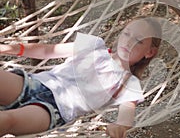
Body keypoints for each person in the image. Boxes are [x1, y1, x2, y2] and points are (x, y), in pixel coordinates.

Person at [0, 17, 162, 138]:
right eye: (127, 34)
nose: (129, 42)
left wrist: (119, 126)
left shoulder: (129, 83)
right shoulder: (94, 45)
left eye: (138, 41)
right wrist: (9, 49)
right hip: (35, 84)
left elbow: (126, 114)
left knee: (7, 120)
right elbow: (47, 51)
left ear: (149, 52)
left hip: (54, 110)